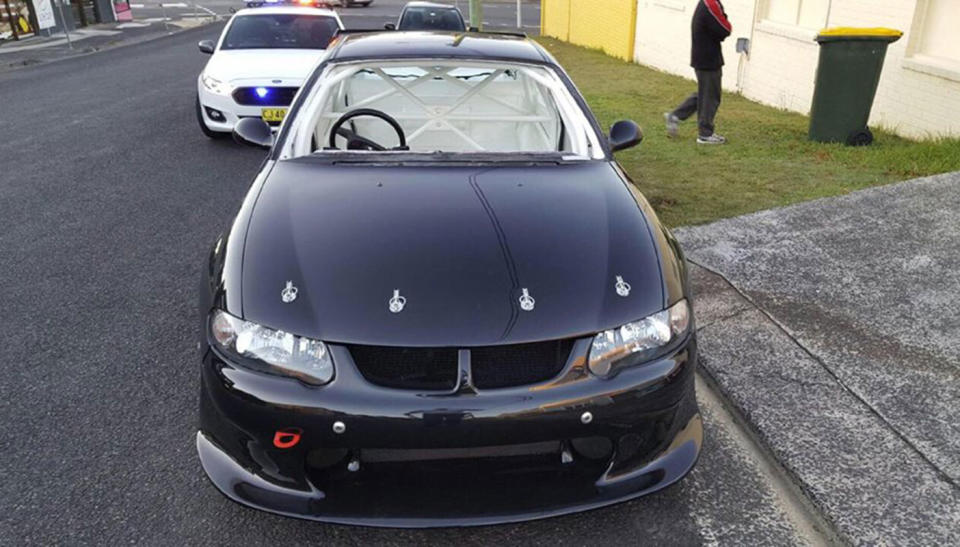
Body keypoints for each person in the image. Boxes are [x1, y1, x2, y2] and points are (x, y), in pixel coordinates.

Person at [665, 0, 732, 144]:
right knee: (710, 97)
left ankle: (675, 116)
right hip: (707, 58)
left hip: (704, 57)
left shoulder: (708, 3)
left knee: (705, 94)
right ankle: (705, 134)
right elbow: (725, 29)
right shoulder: (711, 4)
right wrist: (725, 19)